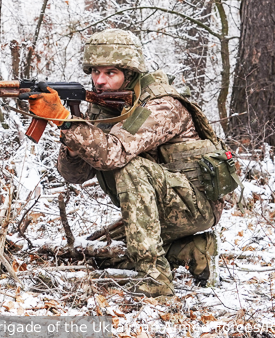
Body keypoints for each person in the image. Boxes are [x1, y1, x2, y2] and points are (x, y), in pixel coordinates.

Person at [25, 29, 230, 297]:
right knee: (98, 252)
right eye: (96, 71)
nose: (100, 80)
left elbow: (115, 154)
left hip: (195, 206)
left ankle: (156, 280)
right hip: (160, 207)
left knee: (129, 166)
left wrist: (67, 121)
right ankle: (195, 250)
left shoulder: (160, 106)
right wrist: (73, 138)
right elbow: (74, 174)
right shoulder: (108, 107)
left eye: (110, 73)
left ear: (130, 73)